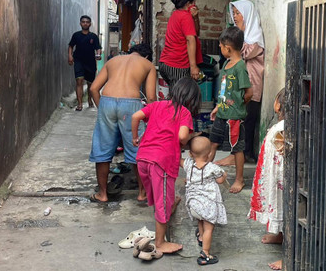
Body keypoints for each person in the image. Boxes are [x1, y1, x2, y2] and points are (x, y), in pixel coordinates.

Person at [132, 77, 202, 254]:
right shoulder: (184, 112)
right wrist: (191, 138)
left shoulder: (157, 105)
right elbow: (182, 137)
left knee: (159, 194)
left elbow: (136, 116)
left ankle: (170, 206)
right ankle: (160, 242)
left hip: (142, 158)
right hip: (161, 161)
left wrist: (134, 137)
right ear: (192, 100)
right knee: (162, 199)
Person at [88, 44, 157, 203]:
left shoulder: (113, 61)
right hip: (131, 104)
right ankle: (142, 193)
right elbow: (152, 98)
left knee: (103, 150)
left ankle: (102, 194)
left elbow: (93, 89)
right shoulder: (148, 65)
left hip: (107, 101)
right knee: (137, 150)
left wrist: (103, 110)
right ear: (146, 57)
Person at [217, 0, 265, 165]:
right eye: (234, 13)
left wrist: (239, 34)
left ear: (248, 15)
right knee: (238, 122)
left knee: (246, 121)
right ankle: (239, 153)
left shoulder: (255, 40)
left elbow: (239, 53)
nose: (235, 17)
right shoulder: (244, 37)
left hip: (250, 86)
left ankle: (242, 154)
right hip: (238, 88)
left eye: (238, 13)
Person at [208, 26, 252, 194]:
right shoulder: (226, 64)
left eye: (220, 46)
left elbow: (249, 92)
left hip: (234, 117)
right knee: (213, 143)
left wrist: (239, 105)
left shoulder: (240, 67)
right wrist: (219, 106)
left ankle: (239, 179)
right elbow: (226, 90)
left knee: (237, 148)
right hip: (222, 113)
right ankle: (205, 174)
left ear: (228, 48)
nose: (220, 49)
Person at [248, 88, 286, 270]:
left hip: (282, 181)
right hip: (275, 179)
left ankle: (289, 256)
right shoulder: (281, 127)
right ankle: (280, 234)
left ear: (277, 105)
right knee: (279, 206)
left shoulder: (286, 128)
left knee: (285, 209)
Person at [181, 136, 227, 266]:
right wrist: (224, 175)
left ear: (190, 153)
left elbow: (179, 161)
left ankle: (201, 238)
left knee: (200, 220)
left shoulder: (189, 164)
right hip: (207, 205)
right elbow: (220, 180)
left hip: (193, 204)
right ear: (209, 153)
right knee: (209, 229)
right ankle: (205, 253)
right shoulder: (212, 168)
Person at [159, 0, 203, 89]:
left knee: (175, 96)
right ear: (188, 4)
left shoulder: (175, 14)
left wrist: (196, 18)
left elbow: (196, 33)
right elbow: (191, 39)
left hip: (166, 63)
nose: (195, 6)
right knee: (181, 99)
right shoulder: (185, 17)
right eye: (194, 3)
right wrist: (193, 66)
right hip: (177, 65)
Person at [68, 15, 102, 111]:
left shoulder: (93, 36)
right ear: (80, 23)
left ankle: (89, 99)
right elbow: (71, 46)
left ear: (90, 24)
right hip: (78, 61)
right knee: (79, 81)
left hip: (90, 62)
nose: (85, 23)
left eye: (87, 22)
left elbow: (98, 48)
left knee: (90, 84)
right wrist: (70, 55)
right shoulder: (76, 35)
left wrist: (98, 55)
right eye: (83, 22)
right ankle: (79, 104)